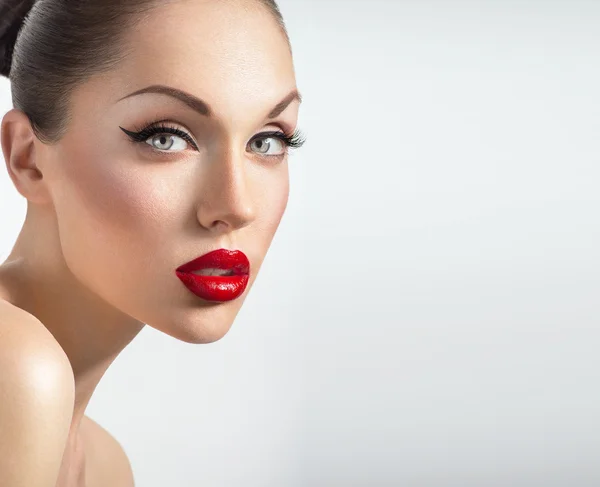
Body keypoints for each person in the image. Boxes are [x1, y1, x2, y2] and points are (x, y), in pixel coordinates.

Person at [0, 0, 305, 485]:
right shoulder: (12, 366)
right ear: (28, 157)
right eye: (166, 137)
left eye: (267, 141)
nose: (236, 206)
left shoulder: (105, 465)